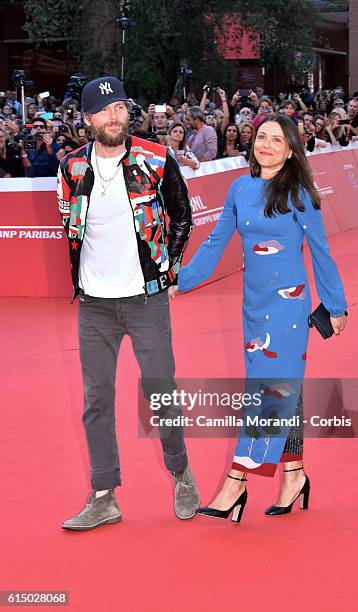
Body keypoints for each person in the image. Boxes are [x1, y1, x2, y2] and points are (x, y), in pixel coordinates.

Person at [174, 114, 347, 522]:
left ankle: (236, 483)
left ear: (291, 150)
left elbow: (321, 254)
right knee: (280, 391)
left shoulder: (300, 194)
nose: (266, 144)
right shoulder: (240, 188)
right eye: (262, 137)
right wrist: (180, 280)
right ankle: (294, 475)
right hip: (254, 308)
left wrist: (336, 307)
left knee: (268, 395)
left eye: (277, 139)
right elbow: (216, 243)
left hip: (288, 309)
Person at [58, 75, 199, 531]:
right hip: (95, 304)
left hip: (145, 298)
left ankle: (180, 473)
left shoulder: (156, 159)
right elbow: (71, 228)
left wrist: (169, 268)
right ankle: (104, 496)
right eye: (102, 111)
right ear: (86, 119)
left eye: (119, 107)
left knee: (161, 392)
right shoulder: (71, 169)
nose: (113, 116)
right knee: (96, 400)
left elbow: (182, 214)